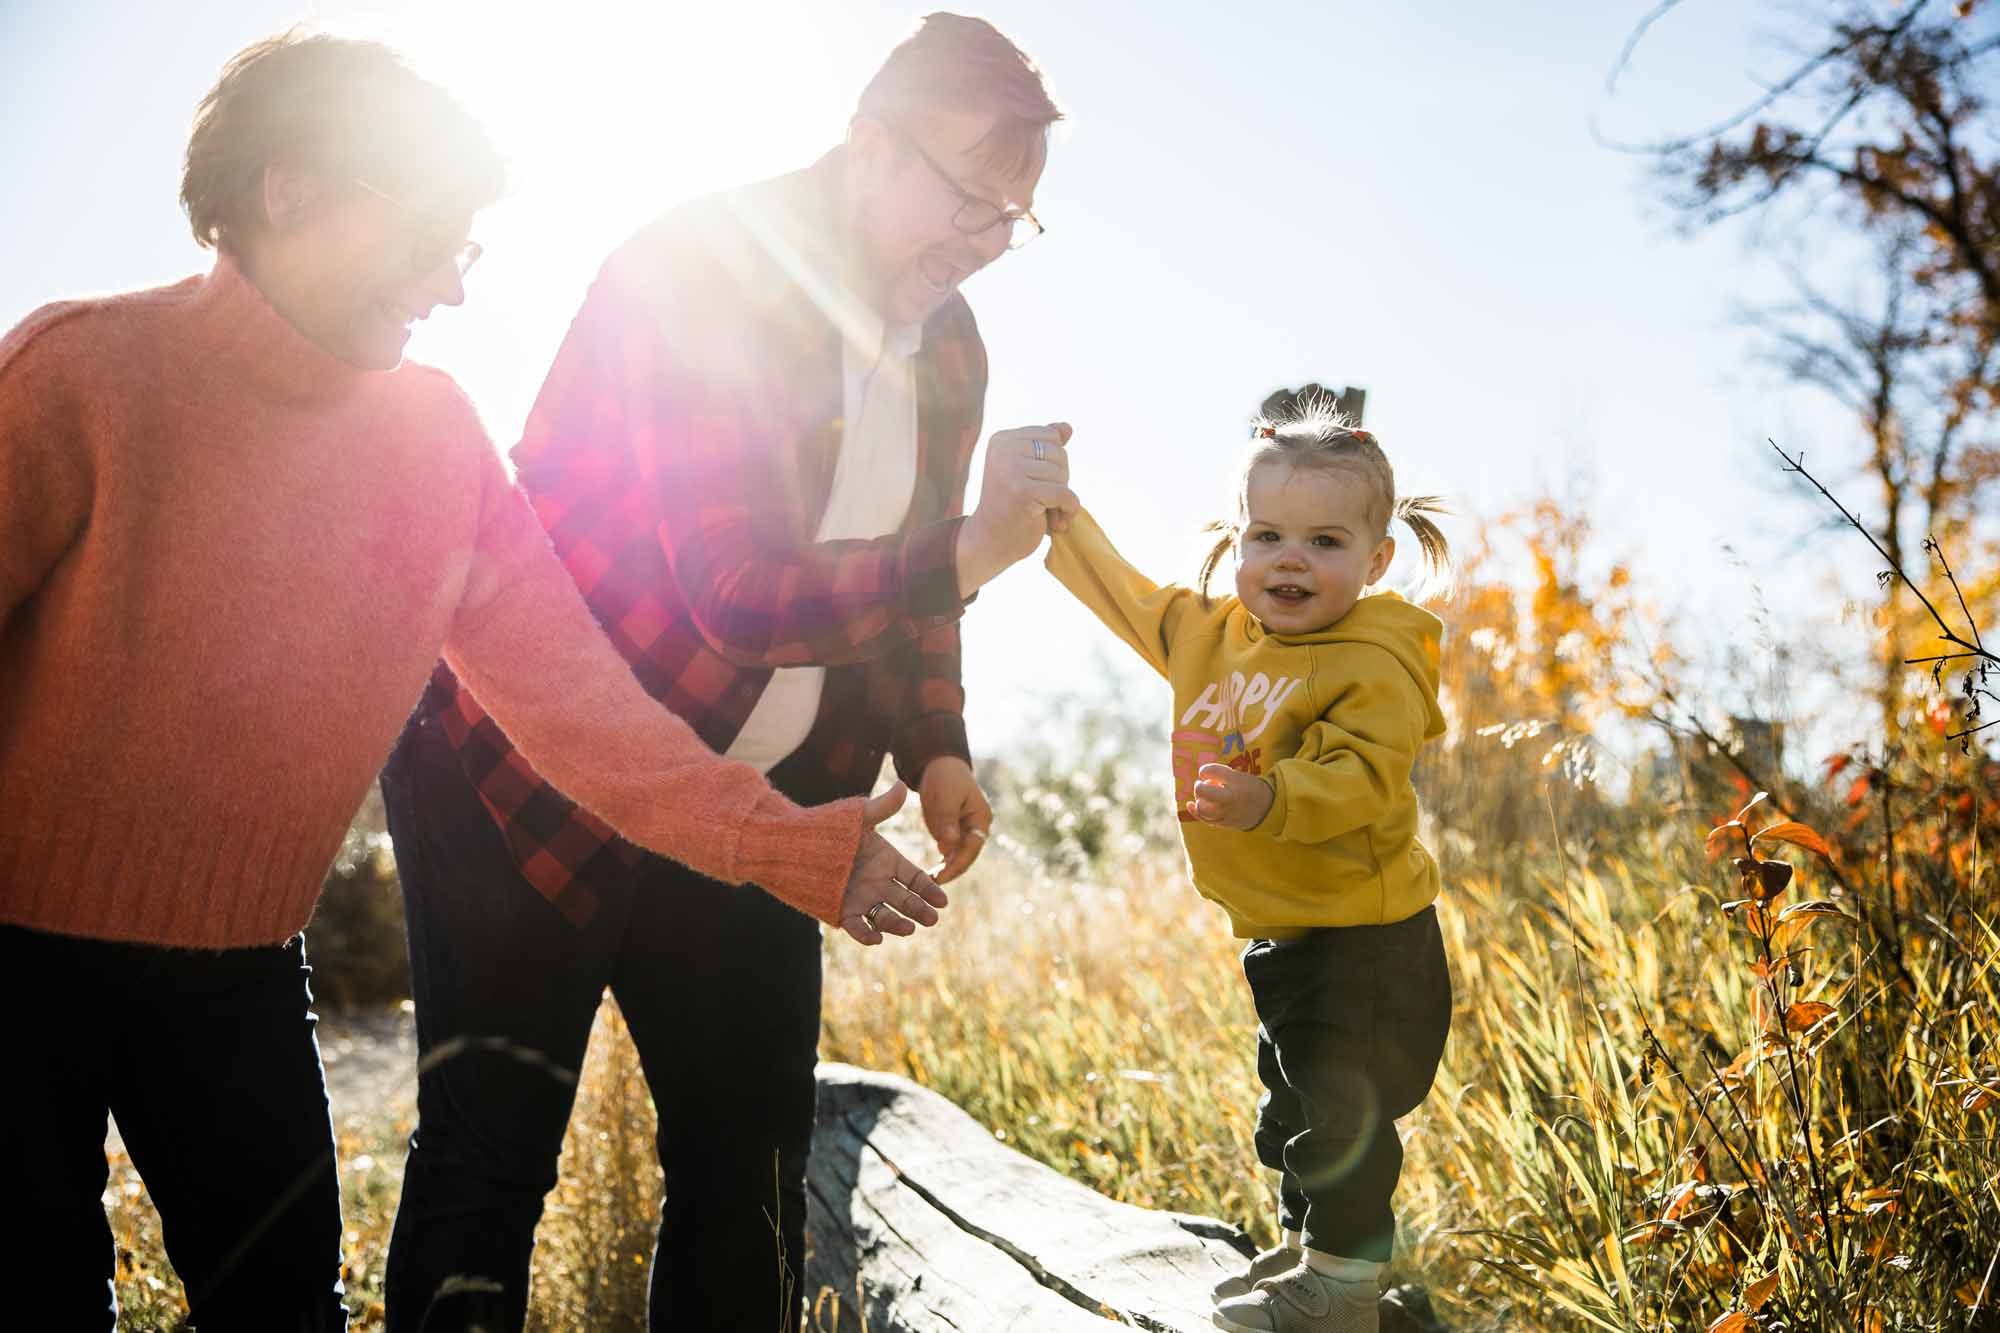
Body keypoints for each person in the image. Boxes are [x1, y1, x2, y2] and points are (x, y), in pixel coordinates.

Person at [0, 31, 948, 1333]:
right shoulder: (80, 376)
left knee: (281, 1307)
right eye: (432, 236)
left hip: (237, 973)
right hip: (16, 956)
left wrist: (785, 846)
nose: (452, 284)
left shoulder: (432, 440)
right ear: (290, 194)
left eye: (472, 249)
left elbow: (589, 714)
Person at [378, 13, 1070, 1332]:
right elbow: (734, 593)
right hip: (528, 778)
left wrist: (938, 739)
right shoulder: (702, 271)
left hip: (762, 807)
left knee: (745, 1162)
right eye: (970, 198)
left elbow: (911, 572)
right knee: (492, 1158)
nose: (981, 241)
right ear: (873, 145)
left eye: (1012, 221)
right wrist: (977, 545)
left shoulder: (955, 341)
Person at [1043, 387, 1456, 1333]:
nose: (1290, 560)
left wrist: (1273, 797)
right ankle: (1308, 1252)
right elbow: (1126, 596)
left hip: (1368, 938)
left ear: (1376, 558)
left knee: (1341, 1119)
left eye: (1325, 541)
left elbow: (1365, 778)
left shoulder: (1375, 658)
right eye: (1266, 535)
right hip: (1285, 936)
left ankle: (1344, 1293)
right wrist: (1059, 521)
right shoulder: (1211, 636)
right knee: (1294, 1111)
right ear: (1236, 541)